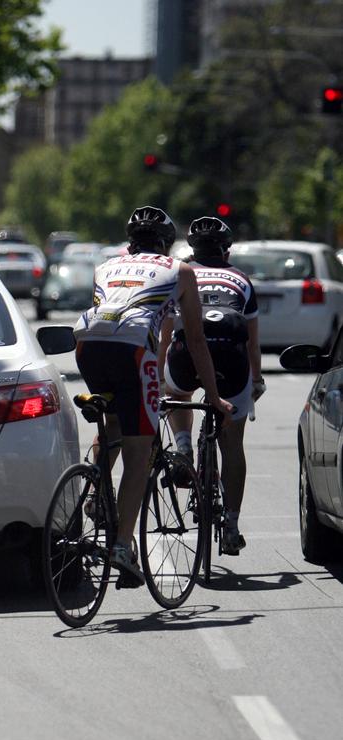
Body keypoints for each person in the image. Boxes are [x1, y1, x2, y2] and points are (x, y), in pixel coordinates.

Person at [73, 206, 233, 588]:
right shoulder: (180, 271)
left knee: (113, 422)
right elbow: (194, 340)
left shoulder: (106, 266)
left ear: (131, 242)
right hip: (131, 349)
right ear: (166, 243)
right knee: (139, 453)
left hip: (86, 343)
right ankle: (123, 548)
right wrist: (213, 395)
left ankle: (95, 491)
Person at [158, 215, 265, 556]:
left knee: (177, 392)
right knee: (232, 443)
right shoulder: (241, 279)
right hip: (231, 356)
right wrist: (257, 379)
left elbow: (167, 331)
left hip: (187, 354)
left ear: (192, 249)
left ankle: (185, 446)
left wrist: (161, 375)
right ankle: (231, 525)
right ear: (227, 250)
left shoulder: (180, 274)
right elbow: (252, 343)